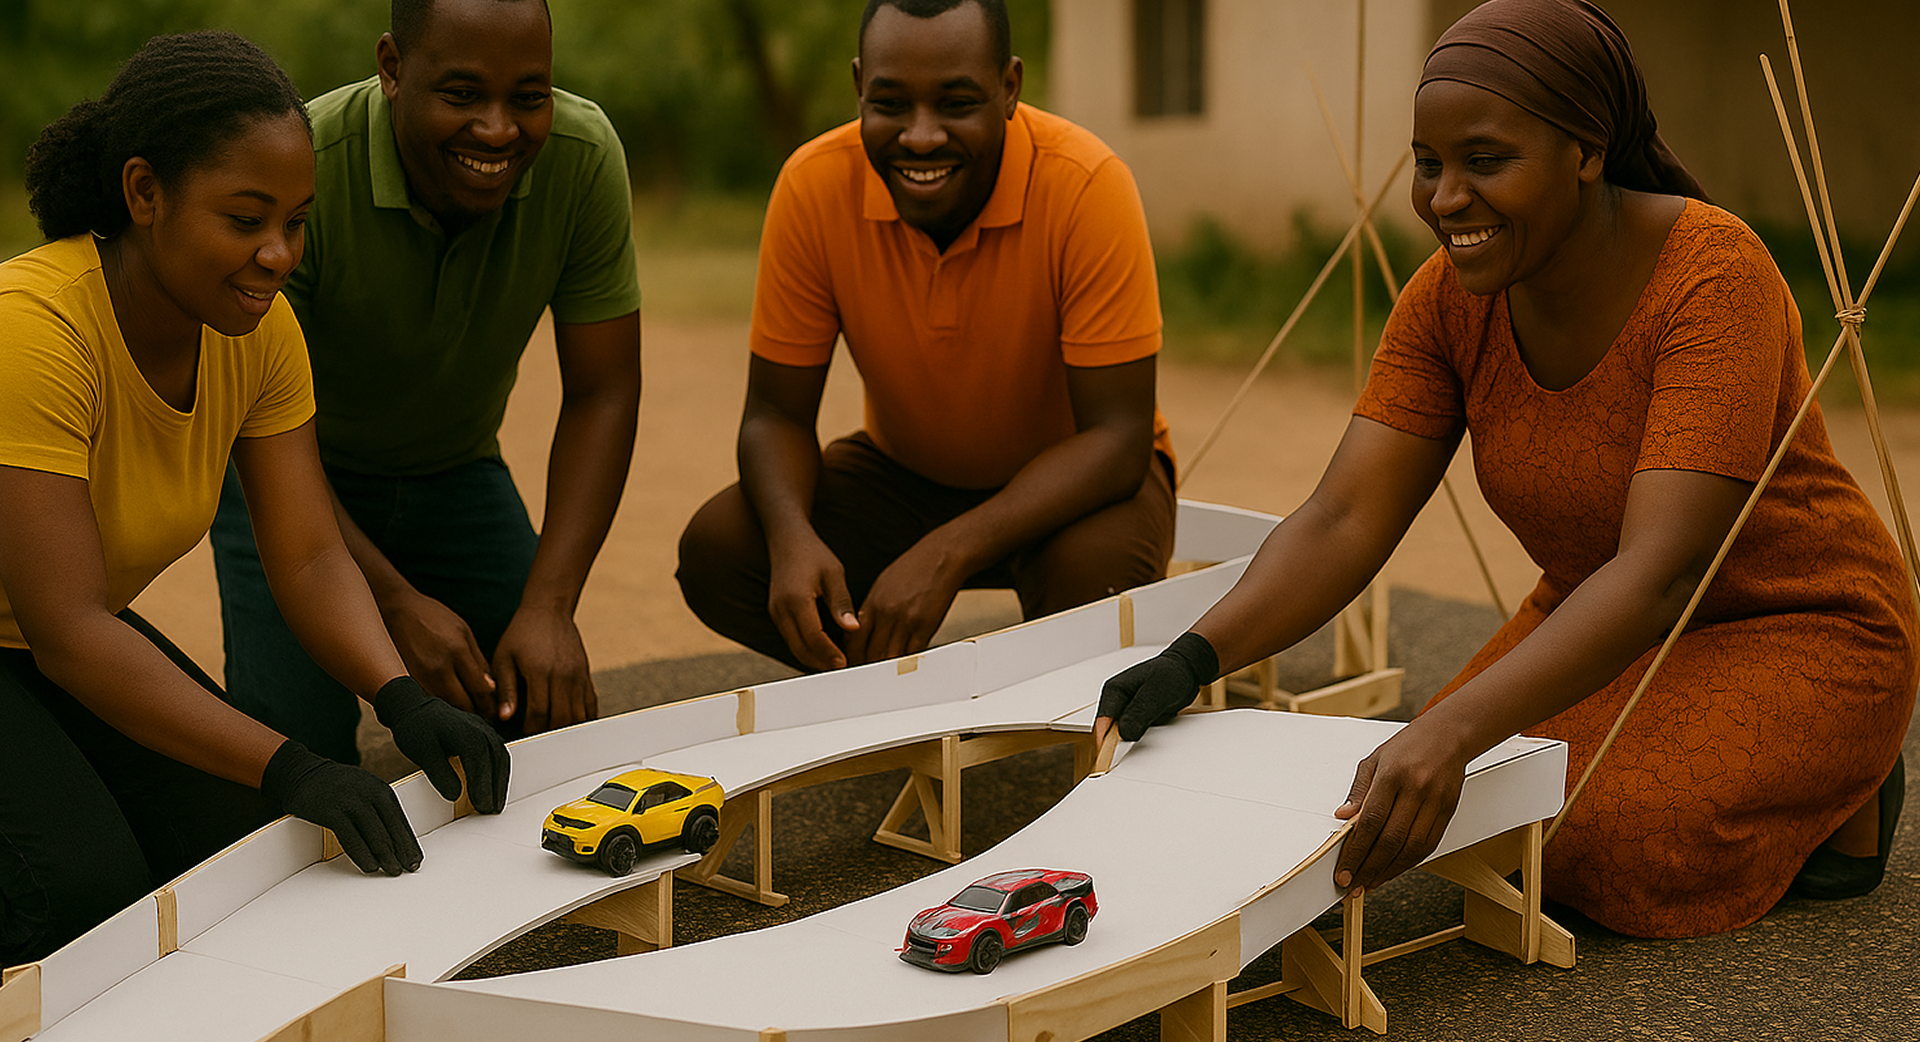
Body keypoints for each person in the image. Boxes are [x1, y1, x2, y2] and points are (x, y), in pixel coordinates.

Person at [1096, 0, 1914, 939]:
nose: (1447, 198)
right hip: (1594, 615)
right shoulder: (1448, 299)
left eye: (1486, 163)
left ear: (1587, 150)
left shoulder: (1715, 276)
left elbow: (1660, 574)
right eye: (1430, 164)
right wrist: (1189, 661)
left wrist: (1449, 729)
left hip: (1793, 621)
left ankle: (1851, 774)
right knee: (1441, 811)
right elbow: (1342, 519)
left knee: (1592, 842)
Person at [0, 31, 510, 967]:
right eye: (245, 219)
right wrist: (292, 761)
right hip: (51, 635)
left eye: (297, 222)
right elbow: (71, 631)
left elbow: (311, 555)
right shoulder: (33, 330)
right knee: (74, 896)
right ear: (144, 194)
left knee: (243, 849)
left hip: (39, 640)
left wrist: (400, 701)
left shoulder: (258, 331)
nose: (277, 255)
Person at [676, 0, 1175, 672]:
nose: (920, 137)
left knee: (1098, 583)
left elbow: (1118, 439)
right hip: (906, 473)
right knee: (722, 549)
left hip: (1074, 484)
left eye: (955, 103)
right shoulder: (812, 186)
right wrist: (793, 538)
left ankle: (1018, 697)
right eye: (890, 103)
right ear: (858, 86)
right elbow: (774, 415)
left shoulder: (1086, 185)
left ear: (1009, 88)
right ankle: (906, 694)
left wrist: (948, 551)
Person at [209, 0, 643, 764]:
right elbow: (259, 429)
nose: (500, 129)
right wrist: (395, 603)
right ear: (392, 68)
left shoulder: (583, 156)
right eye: (463, 94)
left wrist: (549, 605)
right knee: (296, 771)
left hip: (455, 473)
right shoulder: (306, 169)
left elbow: (602, 392)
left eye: (529, 97)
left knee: (545, 728)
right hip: (289, 483)